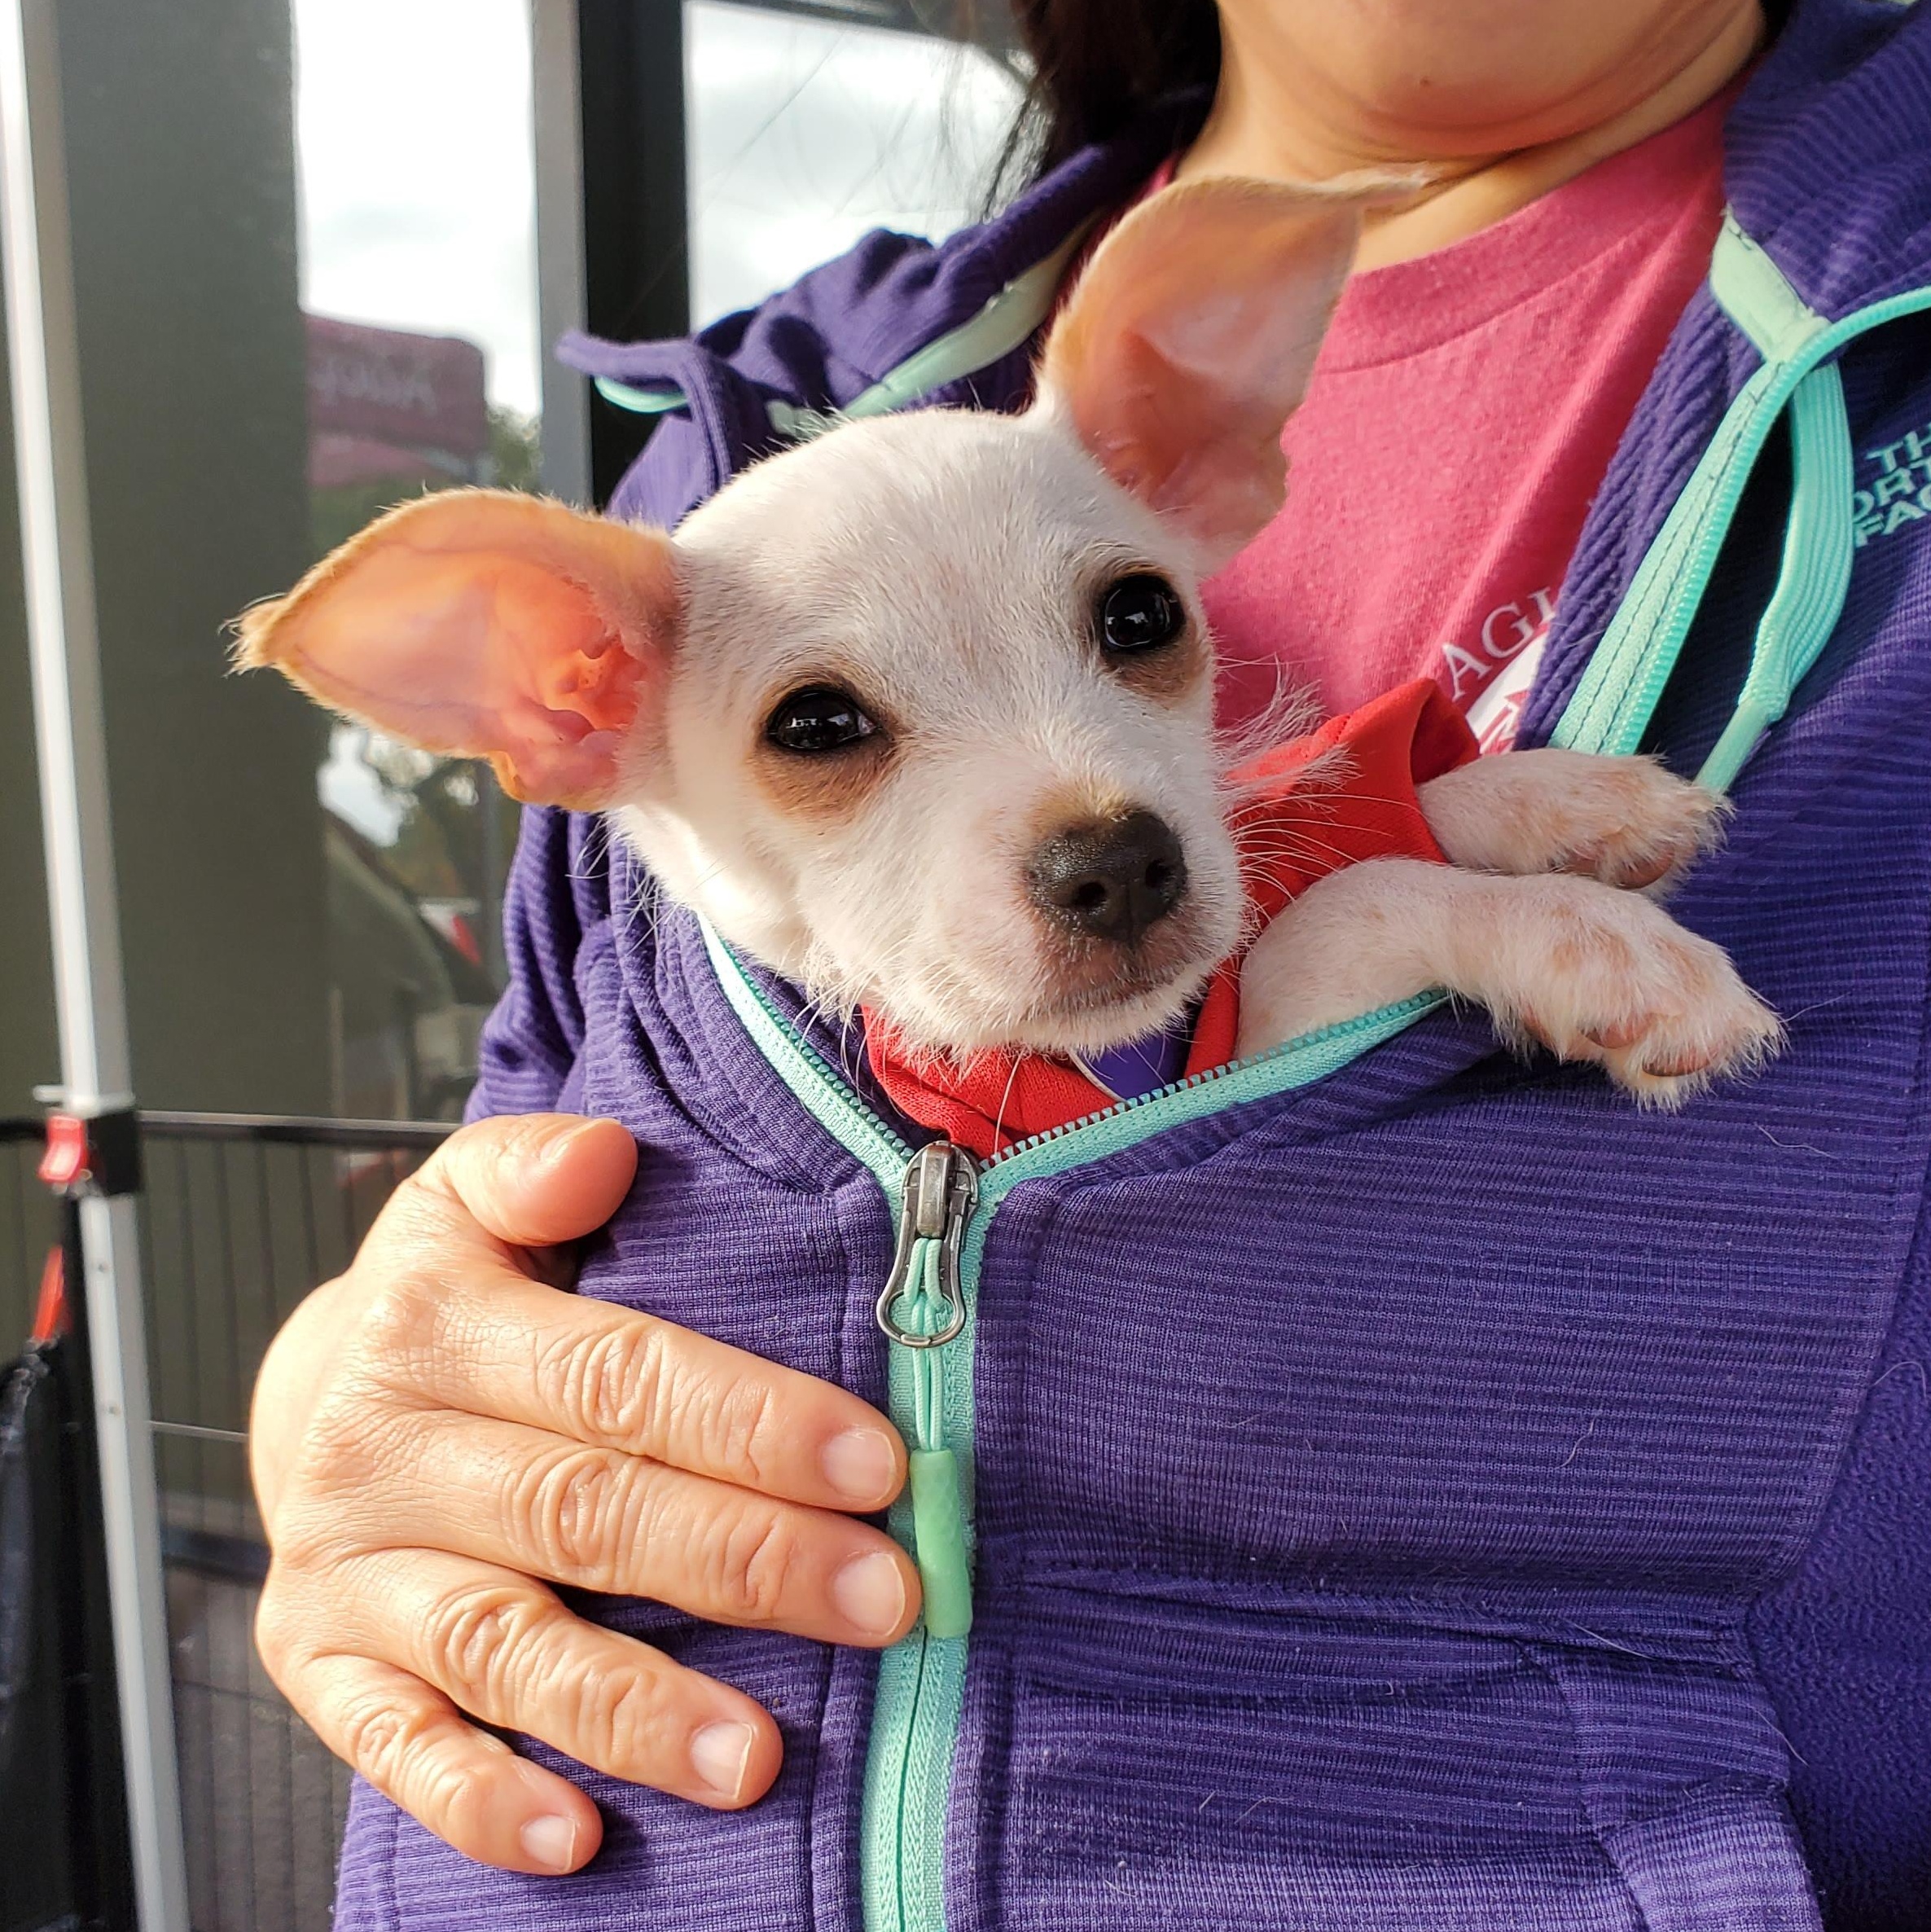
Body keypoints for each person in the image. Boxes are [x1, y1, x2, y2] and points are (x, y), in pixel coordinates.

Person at [250, 2, 1931, 1926]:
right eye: (828, 728)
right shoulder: (747, 432)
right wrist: (334, 1401)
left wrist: (1426, 876)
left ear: (1203, 456)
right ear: (565, 704)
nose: (1095, 822)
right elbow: (522, 1149)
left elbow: (1206, 1024)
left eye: (1131, 625)